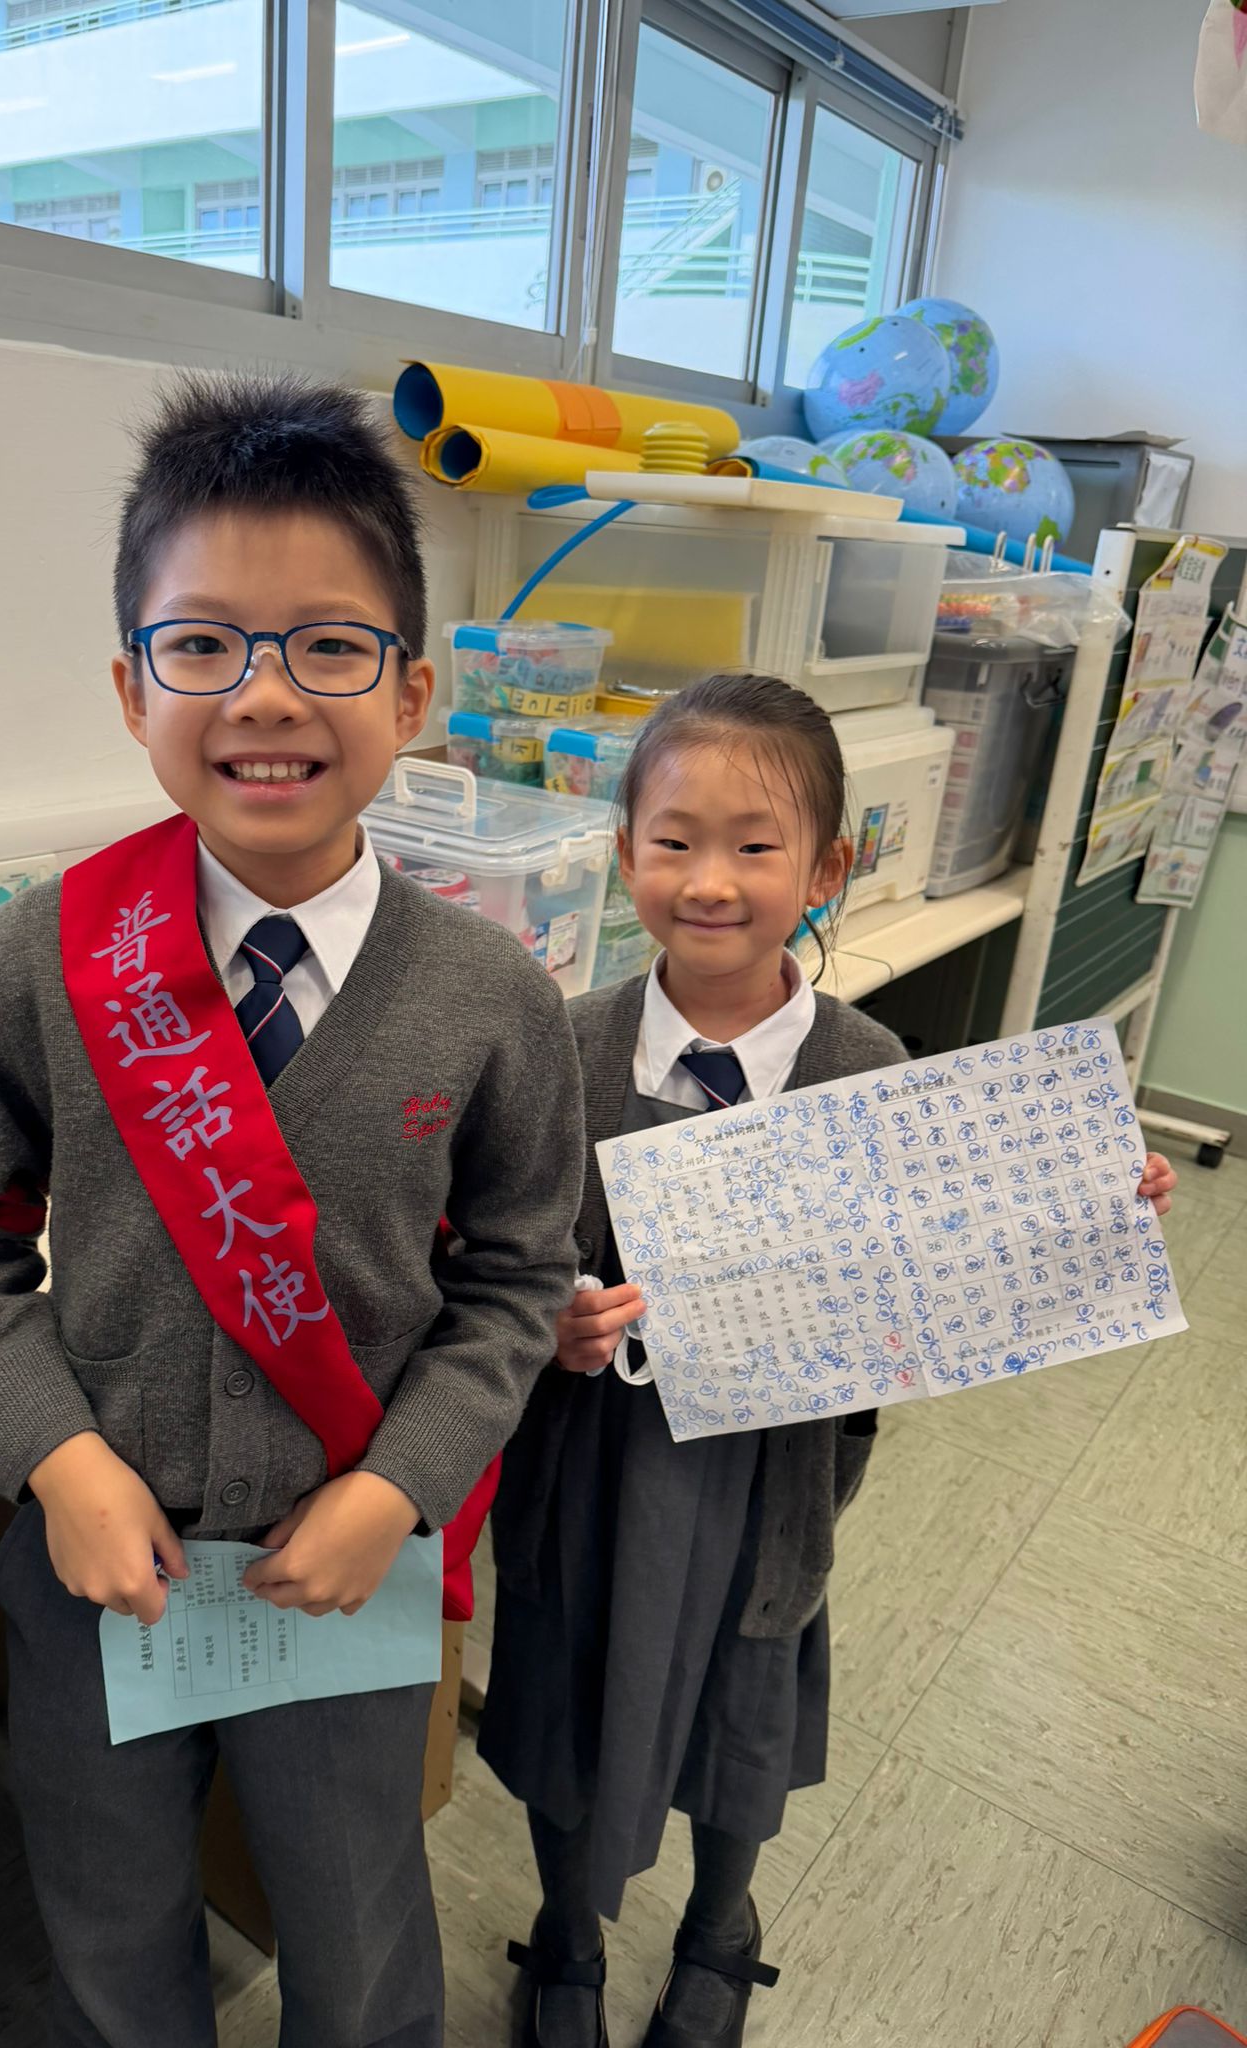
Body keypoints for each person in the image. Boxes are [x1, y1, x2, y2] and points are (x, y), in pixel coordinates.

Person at [0, 374, 586, 2048]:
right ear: (133, 688)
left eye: (329, 645)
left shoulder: (493, 999)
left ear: (411, 690)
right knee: (113, 1927)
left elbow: (516, 1284)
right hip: (96, 1564)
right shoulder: (46, 953)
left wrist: (398, 1491)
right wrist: (56, 1462)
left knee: (360, 1938)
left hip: (342, 1564)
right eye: (202, 644)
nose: (266, 694)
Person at [478, 672, 1178, 2048]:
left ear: (827, 868)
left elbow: (945, 1257)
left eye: (756, 844)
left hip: (766, 1480)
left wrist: (1089, 1196)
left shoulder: (868, 1067)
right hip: (591, 1472)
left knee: (741, 1717)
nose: (710, 880)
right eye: (675, 841)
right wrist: (551, 1318)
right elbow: (505, 1245)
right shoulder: (565, 1046)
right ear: (623, 853)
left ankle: (720, 1926)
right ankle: (565, 1933)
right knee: (566, 1706)